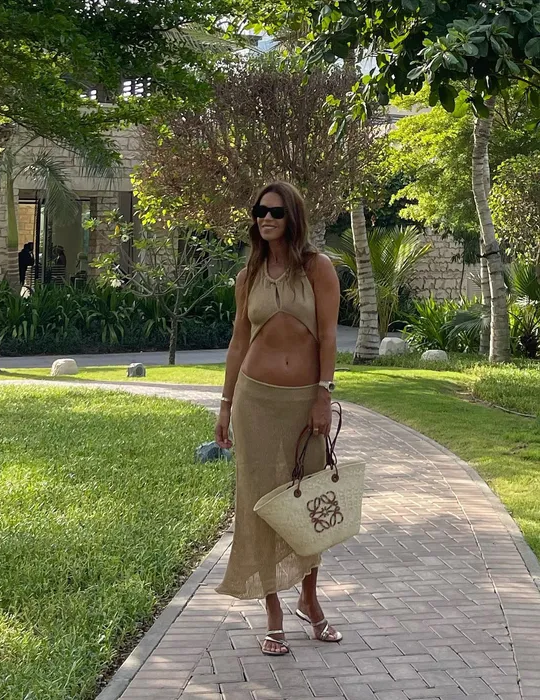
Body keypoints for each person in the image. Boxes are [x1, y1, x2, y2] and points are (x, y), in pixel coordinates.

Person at [215, 182, 342, 656]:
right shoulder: (247, 275)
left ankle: (309, 598)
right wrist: (225, 405)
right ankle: (273, 611)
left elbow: (328, 336)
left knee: (309, 502)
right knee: (260, 503)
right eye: (259, 211)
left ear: (293, 218)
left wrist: (322, 395)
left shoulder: (317, 268)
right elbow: (238, 343)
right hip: (254, 402)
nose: (265, 218)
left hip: (303, 402)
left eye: (275, 212)